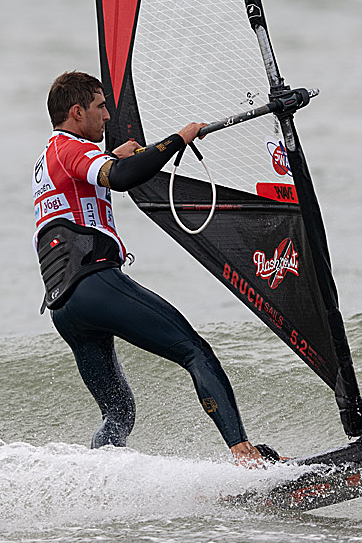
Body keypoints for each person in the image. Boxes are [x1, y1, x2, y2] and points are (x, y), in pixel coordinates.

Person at [32, 70, 266, 467]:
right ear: (76, 112)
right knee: (195, 351)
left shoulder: (49, 158)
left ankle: (101, 477)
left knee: (119, 412)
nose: (107, 116)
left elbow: (91, 178)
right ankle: (245, 456)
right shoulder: (70, 148)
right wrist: (178, 139)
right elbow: (121, 178)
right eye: (100, 106)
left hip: (65, 307)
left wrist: (113, 156)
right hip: (95, 285)